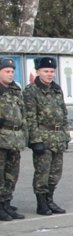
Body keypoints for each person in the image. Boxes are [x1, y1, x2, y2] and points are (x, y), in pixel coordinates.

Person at [23, 57, 69, 216]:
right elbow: (30, 117)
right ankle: (41, 203)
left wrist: (66, 136)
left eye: (51, 71)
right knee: (42, 172)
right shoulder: (31, 91)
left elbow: (63, 114)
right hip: (43, 136)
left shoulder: (56, 90)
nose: (49, 74)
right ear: (38, 72)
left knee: (56, 172)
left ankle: (50, 199)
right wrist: (35, 140)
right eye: (46, 71)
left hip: (57, 137)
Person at [0, 57, 27, 220]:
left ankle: (6, 203)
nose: (10, 74)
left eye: (12, 71)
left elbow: (22, 114)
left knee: (12, 174)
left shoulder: (15, 90)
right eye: (7, 71)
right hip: (1, 138)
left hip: (14, 138)